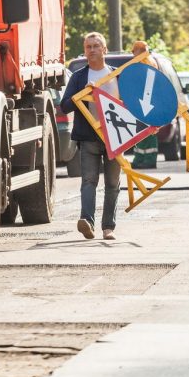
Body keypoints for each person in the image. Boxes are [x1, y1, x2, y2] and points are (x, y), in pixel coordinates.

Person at [60, 32, 120, 240]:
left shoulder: (116, 75)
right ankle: (87, 221)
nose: (92, 50)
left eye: (96, 46)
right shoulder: (78, 77)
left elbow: (131, 108)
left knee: (113, 183)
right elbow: (65, 106)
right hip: (88, 137)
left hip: (115, 137)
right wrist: (81, 95)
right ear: (84, 51)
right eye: (88, 47)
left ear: (104, 49)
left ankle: (108, 227)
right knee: (88, 181)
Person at [130, 40, 159, 169]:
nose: (132, 53)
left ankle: (147, 159)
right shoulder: (148, 60)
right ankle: (141, 158)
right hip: (145, 100)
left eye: (134, 51)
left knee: (147, 131)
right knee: (143, 130)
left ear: (138, 51)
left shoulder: (145, 61)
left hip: (146, 100)